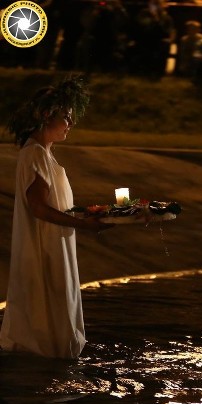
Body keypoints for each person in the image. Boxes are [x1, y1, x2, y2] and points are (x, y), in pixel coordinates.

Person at [0, 77, 114, 359]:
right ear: (46, 115)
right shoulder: (34, 154)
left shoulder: (45, 154)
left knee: (57, 302)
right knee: (48, 304)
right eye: (66, 117)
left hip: (57, 244)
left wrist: (89, 213)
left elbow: (56, 204)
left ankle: (55, 355)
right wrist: (83, 225)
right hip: (45, 248)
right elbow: (37, 207)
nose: (70, 124)